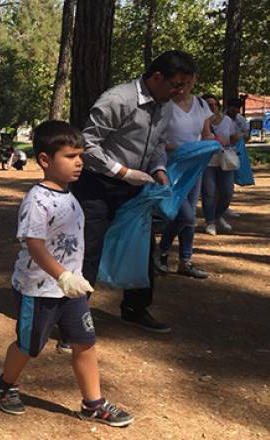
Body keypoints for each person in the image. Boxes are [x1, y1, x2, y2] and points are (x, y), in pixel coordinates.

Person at [0, 120, 134, 427]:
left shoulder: (70, 195)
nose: (79, 162)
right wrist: (62, 276)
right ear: (45, 160)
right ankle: (5, 384)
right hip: (39, 290)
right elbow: (35, 245)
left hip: (71, 290)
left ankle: (93, 404)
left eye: (80, 155)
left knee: (85, 342)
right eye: (70, 156)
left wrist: (72, 278)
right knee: (29, 346)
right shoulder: (37, 201)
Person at [72, 50, 198, 334]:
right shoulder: (118, 99)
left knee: (143, 249)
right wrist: (122, 172)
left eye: (185, 85)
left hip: (136, 188)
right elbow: (87, 144)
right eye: (176, 84)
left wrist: (159, 169)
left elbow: (158, 145)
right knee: (88, 250)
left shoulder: (165, 106)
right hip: (98, 185)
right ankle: (73, 318)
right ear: (157, 77)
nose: (181, 92)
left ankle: (135, 308)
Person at [153, 73, 214, 279]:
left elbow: (206, 133)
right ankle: (161, 251)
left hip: (194, 168)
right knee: (185, 215)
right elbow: (157, 139)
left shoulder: (201, 105)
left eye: (189, 81)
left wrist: (210, 144)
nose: (183, 85)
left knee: (189, 217)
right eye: (180, 81)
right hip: (170, 168)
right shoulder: (164, 106)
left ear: (195, 80)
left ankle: (185, 260)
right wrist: (180, 149)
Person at [201, 95, 241, 235]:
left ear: (218, 106)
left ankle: (218, 216)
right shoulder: (200, 121)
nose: (212, 107)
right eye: (208, 105)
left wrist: (237, 137)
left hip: (225, 159)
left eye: (214, 104)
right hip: (207, 161)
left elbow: (232, 138)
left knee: (227, 192)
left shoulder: (227, 121)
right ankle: (210, 221)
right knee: (209, 192)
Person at [223, 98, 250, 219]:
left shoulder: (241, 120)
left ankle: (225, 207)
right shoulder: (222, 119)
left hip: (236, 152)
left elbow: (246, 136)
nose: (235, 110)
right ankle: (221, 207)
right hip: (223, 152)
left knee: (231, 180)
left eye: (238, 108)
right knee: (223, 181)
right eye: (233, 107)